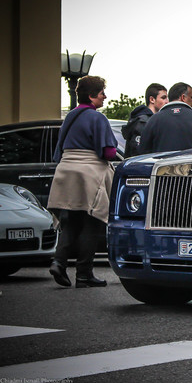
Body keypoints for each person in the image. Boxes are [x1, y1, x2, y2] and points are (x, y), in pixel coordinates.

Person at [47, 75, 118, 288]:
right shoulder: (98, 118)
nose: (105, 97)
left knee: (70, 221)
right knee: (93, 223)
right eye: (102, 93)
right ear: (91, 95)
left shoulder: (70, 117)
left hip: (66, 171)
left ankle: (58, 262)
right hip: (89, 173)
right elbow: (108, 152)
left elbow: (59, 150)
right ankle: (84, 274)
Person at [139, 82, 192, 153]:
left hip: (162, 167)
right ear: (183, 97)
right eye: (191, 98)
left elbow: (143, 153)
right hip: (191, 166)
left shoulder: (153, 120)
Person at [122, 83, 168, 157]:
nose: (167, 101)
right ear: (152, 99)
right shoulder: (143, 122)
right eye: (163, 98)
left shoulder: (151, 120)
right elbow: (138, 152)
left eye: (167, 98)